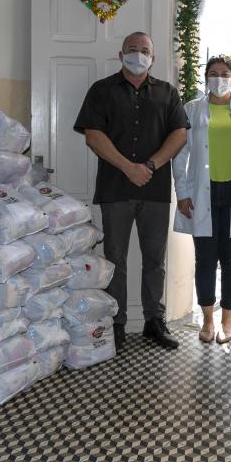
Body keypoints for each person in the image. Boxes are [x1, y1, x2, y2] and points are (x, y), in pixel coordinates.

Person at [73, 31, 190, 350]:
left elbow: (179, 134)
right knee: (115, 260)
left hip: (155, 191)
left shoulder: (168, 93)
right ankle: (117, 322)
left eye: (145, 51)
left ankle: (154, 320)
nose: (138, 55)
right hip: (115, 190)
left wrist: (150, 166)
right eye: (132, 50)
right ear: (120, 53)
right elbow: (93, 136)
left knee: (155, 260)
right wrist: (128, 167)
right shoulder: (102, 90)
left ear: (154, 58)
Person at [172, 56, 231, 344]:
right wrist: (183, 192)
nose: (219, 78)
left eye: (225, 74)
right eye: (213, 74)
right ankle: (208, 320)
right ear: (205, 78)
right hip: (203, 192)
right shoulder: (192, 109)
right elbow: (180, 154)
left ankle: (228, 320)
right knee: (205, 259)